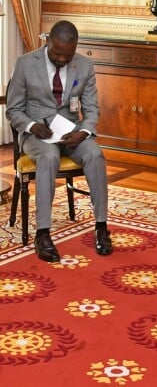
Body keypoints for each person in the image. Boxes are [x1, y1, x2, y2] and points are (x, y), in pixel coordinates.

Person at [6, 20, 112, 262]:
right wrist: (32, 126)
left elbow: (92, 109)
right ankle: (43, 234)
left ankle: (101, 227)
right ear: (47, 42)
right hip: (37, 134)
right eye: (57, 54)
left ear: (75, 48)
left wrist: (83, 132)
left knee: (95, 154)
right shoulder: (24, 64)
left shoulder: (84, 66)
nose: (62, 60)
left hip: (70, 133)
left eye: (68, 55)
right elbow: (13, 110)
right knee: (49, 156)